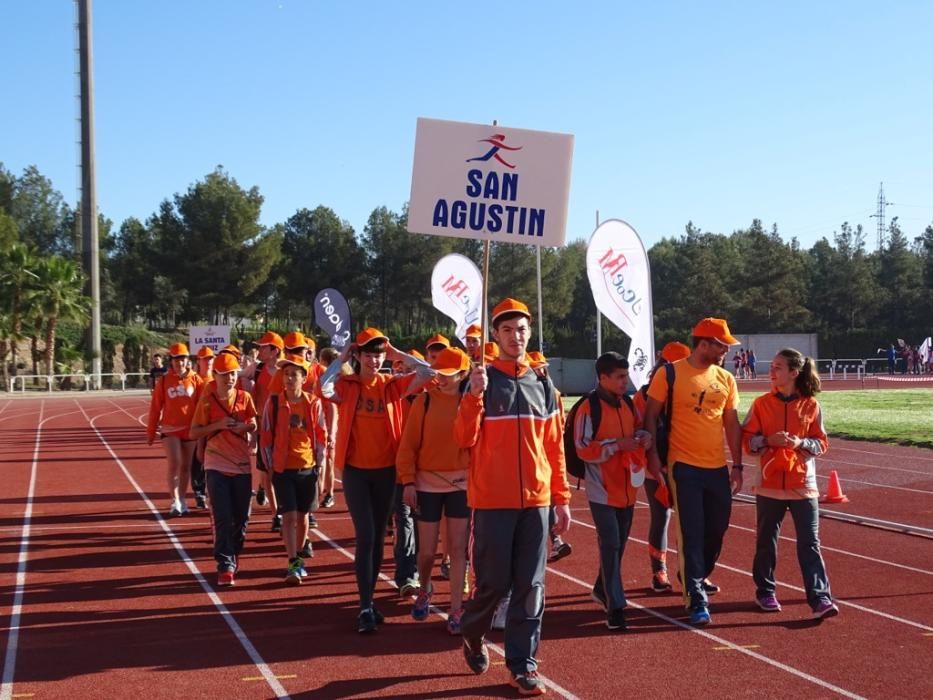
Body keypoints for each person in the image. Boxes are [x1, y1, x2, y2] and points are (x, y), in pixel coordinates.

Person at [458, 298, 570, 697]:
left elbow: (554, 445)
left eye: (521, 329)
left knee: (531, 586)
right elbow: (462, 438)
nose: (516, 336)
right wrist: (473, 395)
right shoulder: (480, 380)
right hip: (492, 502)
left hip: (537, 501)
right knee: (491, 585)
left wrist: (561, 497)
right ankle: (473, 635)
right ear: (496, 336)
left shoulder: (542, 382)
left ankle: (523, 665)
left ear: (528, 332)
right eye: (507, 330)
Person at [331, 328, 433, 633]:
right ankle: (364, 606)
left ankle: (368, 601)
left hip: (387, 472)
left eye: (378, 354)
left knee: (377, 540)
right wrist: (342, 357)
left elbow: (427, 372)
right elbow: (322, 387)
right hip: (356, 472)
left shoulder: (392, 385)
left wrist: (396, 354)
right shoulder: (347, 385)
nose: (374, 360)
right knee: (365, 536)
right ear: (358, 356)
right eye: (368, 354)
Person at [643, 318, 743, 626]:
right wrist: (653, 459)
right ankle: (695, 595)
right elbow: (650, 418)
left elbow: (731, 424)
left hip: (716, 466)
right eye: (721, 344)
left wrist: (737, 465)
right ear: (704, 344)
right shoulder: (669, 374)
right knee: (690, 531)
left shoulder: (726, 379)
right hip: (682, 465)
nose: (726, 349)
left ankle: (695, 573)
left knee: (717, 528)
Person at [742, 348, 839, 619]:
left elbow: (822, 442)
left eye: (778, 367)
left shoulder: (811, 405)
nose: (772, 371)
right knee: (766, 541)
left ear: (794, 373)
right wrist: (767, 441)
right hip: (769, 484)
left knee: (810, 542)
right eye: (772, 366)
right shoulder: (761, 404)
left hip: (802, 485)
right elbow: (746, 439)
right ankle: (765, 591)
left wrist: (799, 443)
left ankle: (820, 598)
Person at [573, 351, 651, 631]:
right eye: (619, 377)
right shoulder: (588, 408)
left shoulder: (628, 404)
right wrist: (617, 445)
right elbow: (583, 448)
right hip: (601, 491)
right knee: (611, 544)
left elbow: (638, 430)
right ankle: (616, 606)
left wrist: (643, 437)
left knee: (618, 546)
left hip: (628, 489)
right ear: (602, 378)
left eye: (626, 375)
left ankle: (600, 588)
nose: (624, 381)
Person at [398, 347, 472, 634]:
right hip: (427, 483)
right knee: (427, 552)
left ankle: (456, 608)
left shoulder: (471, 403)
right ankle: (425, 588)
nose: (441, 378)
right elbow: (408, 445)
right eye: (439, 372)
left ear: (462, 374)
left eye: (449, 374)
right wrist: (407, 481)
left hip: (461, 485)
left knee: (456, 550)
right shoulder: (424, 402)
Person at [189, 352, 257, 586]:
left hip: (241, 465)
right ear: (215, 375)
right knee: (222, 516)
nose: (229, 378)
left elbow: (254, 424)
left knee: (242, 518)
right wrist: (217, 425)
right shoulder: (207, 401)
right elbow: (194, 432)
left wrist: (245, 428)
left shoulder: (245, 397)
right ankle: (224, 562)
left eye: (233, 374)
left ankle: (233, 552)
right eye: (224, 374)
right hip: (215, 463)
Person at [260, 353, 327, 586]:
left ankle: (299, 555)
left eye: (294, 375)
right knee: (288, 517)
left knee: (303, 517)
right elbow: (266, 436)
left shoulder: (313, 403)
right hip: (283, 469)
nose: (288, 378)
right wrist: (269, 467)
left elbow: (321, 437)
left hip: (307, 468)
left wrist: (320, 467)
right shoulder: (275, 402)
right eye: (286, 374)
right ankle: (293, 564)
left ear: (303, 378)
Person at [633, 341, 691, 594]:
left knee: (691, 521)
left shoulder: (687, 391)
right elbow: (641, 428)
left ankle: (693, 571)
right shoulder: (644, 395)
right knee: (661, 517)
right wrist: (653, 458)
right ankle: (659, 570)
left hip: (686, 464)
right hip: (654, 466)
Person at [147, 343, 204, 516]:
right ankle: (175, 501)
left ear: (188, 360)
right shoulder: (164, 380)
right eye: (176, 359)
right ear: (171, 361)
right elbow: (156, 407)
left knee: (186, 466)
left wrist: (202, 430)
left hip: (190, 430)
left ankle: (183, 499)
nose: (180, 363)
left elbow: (203, 406)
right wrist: (150, 431)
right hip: (170, 429)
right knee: (175, 462)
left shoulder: (196, 380)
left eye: (183, 359)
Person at [251, 331, 285, 530]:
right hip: (265, 430)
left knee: (283, 474)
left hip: (286, 430)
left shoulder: (289, 370)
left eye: (264, 347)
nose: (260, 350)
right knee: (267, 474)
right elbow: (235, 376)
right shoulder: (257, 369)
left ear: (275, 351)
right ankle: (277, 514)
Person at [317, 347, 341, 509]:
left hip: (329, 425)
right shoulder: (333, 377)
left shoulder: (331, 379)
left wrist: (331, 433)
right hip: (325, 425)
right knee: (324, 461)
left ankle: (328, 493)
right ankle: (326, 492)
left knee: (326, 461)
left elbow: (332, 408)